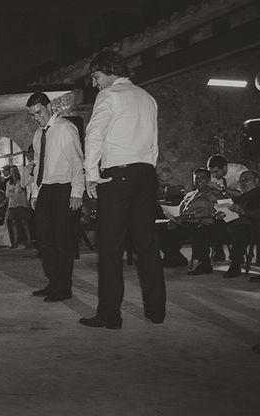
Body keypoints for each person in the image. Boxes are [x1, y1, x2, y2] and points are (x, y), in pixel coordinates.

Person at [80, 50, 166, 330]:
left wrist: (91, 174)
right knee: (148, 246)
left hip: (118, 177)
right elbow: (154, 143)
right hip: (145, 174)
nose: (94, 83)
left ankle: (110, 315)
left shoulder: (109, 96)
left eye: (96, 76)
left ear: (108, 70)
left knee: (111, 248)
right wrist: (147, 170)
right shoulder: (147, 98)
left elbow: (94, 134)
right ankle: (156, 311)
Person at [27, 92, 84, 302]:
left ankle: (64, 287)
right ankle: (53, 282)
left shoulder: (66, 129)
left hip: (64, 189)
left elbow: (78, 162)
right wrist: (35, 193)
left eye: (39, 112)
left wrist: (77, 192)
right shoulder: (37, 135)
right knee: (44, 240)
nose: (36, 117)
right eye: (32, 115)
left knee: (63, 241)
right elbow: (37, 166)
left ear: (49, 106)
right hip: (45, 190)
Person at [158, 168, 225, 274]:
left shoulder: (214, 193)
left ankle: (203, 264)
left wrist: (189, 216)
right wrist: (174, 218)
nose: (198, 180)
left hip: (202, 222)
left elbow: (214, 210)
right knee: (159, 227)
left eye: (202, 178)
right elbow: (180, 210)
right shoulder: (190, 195)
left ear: (208, 180)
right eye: (196, 178)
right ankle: (175, 256)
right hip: (185, 222)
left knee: (195, 230)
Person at [217, 170, 260, 279]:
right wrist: (223, 214)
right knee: (211, 225)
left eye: (246, 180)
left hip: (255, 226)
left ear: (256, 181)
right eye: (241, 181)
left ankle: (235, 265)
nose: (243, 183)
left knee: (241, 229)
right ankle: (207, 261)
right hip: (236, 225)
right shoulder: (240, 197)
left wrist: (242, 211)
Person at [5, 165, 32, 249]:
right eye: (11, 171)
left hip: (21, 203)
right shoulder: (9, 183)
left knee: (24, 222)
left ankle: (29, 241)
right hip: (12, 204)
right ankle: (15, 241)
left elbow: (21, 189)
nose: (13, 172)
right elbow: (7, 194)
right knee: (14, 223)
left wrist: (13, 192)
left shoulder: (21, 181)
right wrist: (13, 192)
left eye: (15, 170)